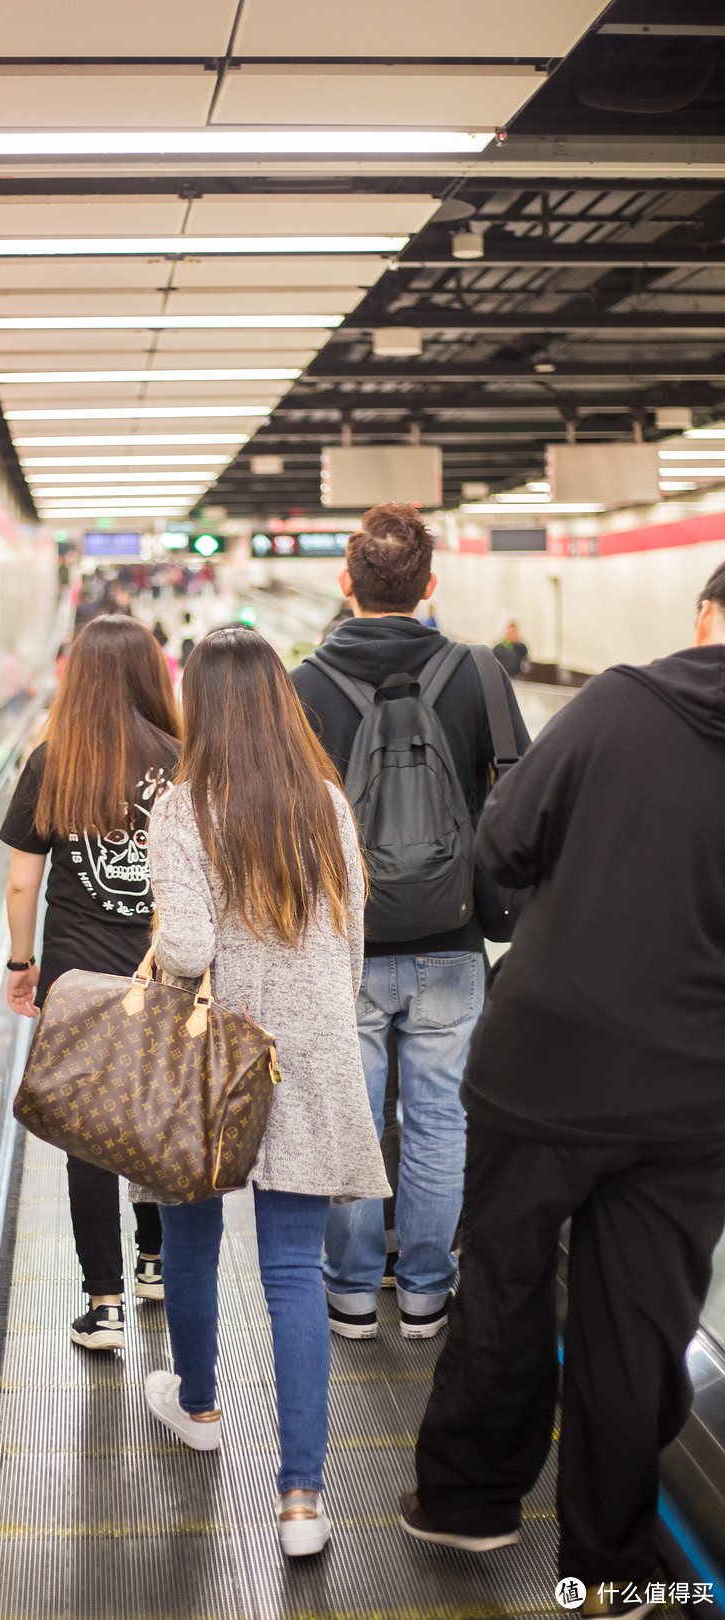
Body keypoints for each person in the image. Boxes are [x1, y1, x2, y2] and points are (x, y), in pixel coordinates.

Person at [400, 561, 725, 1620]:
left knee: (504, 1282)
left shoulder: (622, 701)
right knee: (637, 1330)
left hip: (544, 1067)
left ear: (705, 617)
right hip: (693, 1098)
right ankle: (611, 1568)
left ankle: (468, 1501)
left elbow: (503, 842)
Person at [140, 628, 388, 1558]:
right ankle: (300, 1502)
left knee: (191, 1233)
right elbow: (356, 936)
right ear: (282, 702)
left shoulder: (183, 806)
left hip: (218, 1057)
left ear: (197, 706)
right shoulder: (325, 800)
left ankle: (199, 1406)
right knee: (293, 1271)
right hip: (313, 1048)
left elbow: (192, 950)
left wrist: (166, 953)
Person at [291, 505, 529, 1341]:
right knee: (439, 1119)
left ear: (345, 582)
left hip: (342, 944)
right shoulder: (480, 672)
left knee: (351, 1118)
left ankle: (351, 1293)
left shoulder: (303, 684)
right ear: (430, 586)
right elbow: (521, 801)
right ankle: (427, 1290)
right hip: (453, 940)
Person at [0, 616, 180, 1351]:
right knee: (155, 1120)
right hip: (164, 968)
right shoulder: (183, 759)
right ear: (151, 674)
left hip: (75, 973)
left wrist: (21, 964)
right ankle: (154, 1263)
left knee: (89, 1139)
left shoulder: (54, 761)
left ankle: (103, 1306)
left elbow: (21, 881)